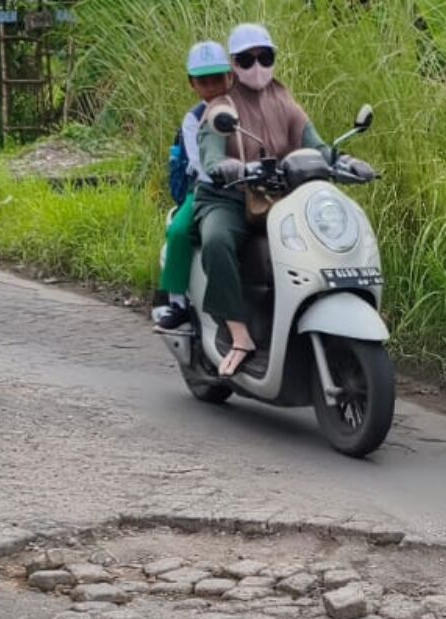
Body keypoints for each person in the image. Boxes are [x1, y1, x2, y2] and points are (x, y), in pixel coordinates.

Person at [193, 23, 363, 376]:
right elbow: (210, 153)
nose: (257, 66)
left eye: (264, 56)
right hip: (228, 198)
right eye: (246, 58)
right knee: (216, 240)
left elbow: (316, 145)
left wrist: (345, 161)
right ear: (234, 65)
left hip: (277, 198)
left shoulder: (285, 101)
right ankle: (239, 335)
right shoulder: (222, 107)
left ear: (274, 58)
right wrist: (226, 166)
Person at [152, 41, 230, 331]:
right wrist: (223, 175)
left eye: (218, 79)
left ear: (230, 78)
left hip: (250, 186)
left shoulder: (245, 109)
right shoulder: (193, 119)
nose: (212, 88)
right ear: (192, 84)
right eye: (204, 81)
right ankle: (177, 302)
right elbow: (199, 163)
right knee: (180, 230)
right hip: (206, 189)